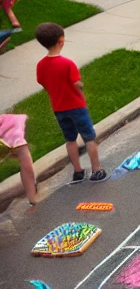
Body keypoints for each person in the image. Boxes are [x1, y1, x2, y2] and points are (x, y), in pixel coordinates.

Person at [35, 23, 107, 184]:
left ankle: (78, 172)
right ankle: (96, 170)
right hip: (77, 106)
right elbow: (76, 83)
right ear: (61, 41)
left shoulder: (41, 65)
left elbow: (42, 82)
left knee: (70, 139)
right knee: (89, 138)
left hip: (59, 108)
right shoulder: (67, 63)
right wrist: (81, 86)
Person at [0, 113, 39, 205]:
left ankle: (32, 195)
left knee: (24, 160)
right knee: (25, 162)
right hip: (14, 136)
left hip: (12, 135)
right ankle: (32, 196)